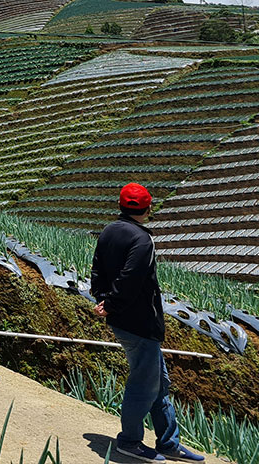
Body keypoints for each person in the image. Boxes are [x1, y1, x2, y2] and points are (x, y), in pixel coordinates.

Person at [91, 184, 204, 463]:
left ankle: (168, 442)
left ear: (120, 205)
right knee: (143, 385)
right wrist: (113, 303)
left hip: (122, 319)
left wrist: (103, 299)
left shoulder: (108, 231)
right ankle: (129, 441)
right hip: (139, 323)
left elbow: (97, 269)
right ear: (148, 208)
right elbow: (132, 278)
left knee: (159, 382)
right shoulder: (143, 240)